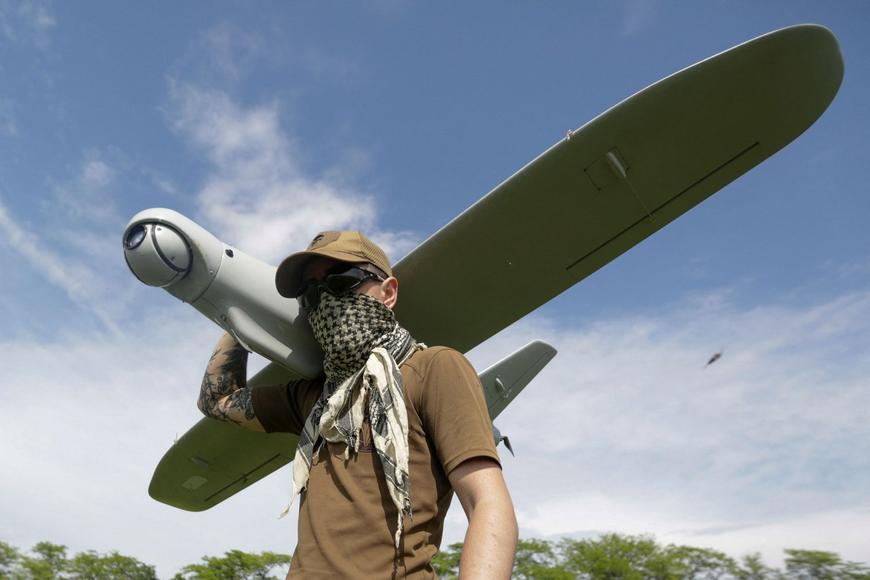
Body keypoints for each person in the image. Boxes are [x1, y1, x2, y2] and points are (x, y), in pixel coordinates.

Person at [197, 231, 518, 579]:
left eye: (341, 281)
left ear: (389, 292)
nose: (326, 301)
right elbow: (217, 400)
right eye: (311, 293)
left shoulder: (432, 368)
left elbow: (487, 503)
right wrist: (240, 310)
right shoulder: (314, 398)